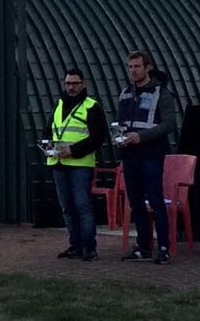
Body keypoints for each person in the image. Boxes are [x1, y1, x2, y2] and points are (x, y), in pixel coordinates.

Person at [116, 51, 177, 264]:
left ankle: (164, 247)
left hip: (151, 154)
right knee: (135, 201)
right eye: (130, 67)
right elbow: (121, 123)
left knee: (155, 200)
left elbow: (169, 124)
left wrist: (141, 137)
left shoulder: (162, 93)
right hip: (130, 154)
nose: (133, 71)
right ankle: (143, 247)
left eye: (137, 66)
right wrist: (120, 137)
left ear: (147, 67)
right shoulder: (125, 93)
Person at [48, 68, 109, 261]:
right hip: (59, 162)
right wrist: (48, 145)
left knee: (82, 206)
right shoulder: (59, 105)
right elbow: (49, 129)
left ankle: (89, 247)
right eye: (68, 83)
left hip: (80, 164)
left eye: (75, 83)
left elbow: (98, 137)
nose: (71, 87)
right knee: (67, 207)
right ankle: (75, 245)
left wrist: (73, 150)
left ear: (83, 84)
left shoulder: (92, 107)